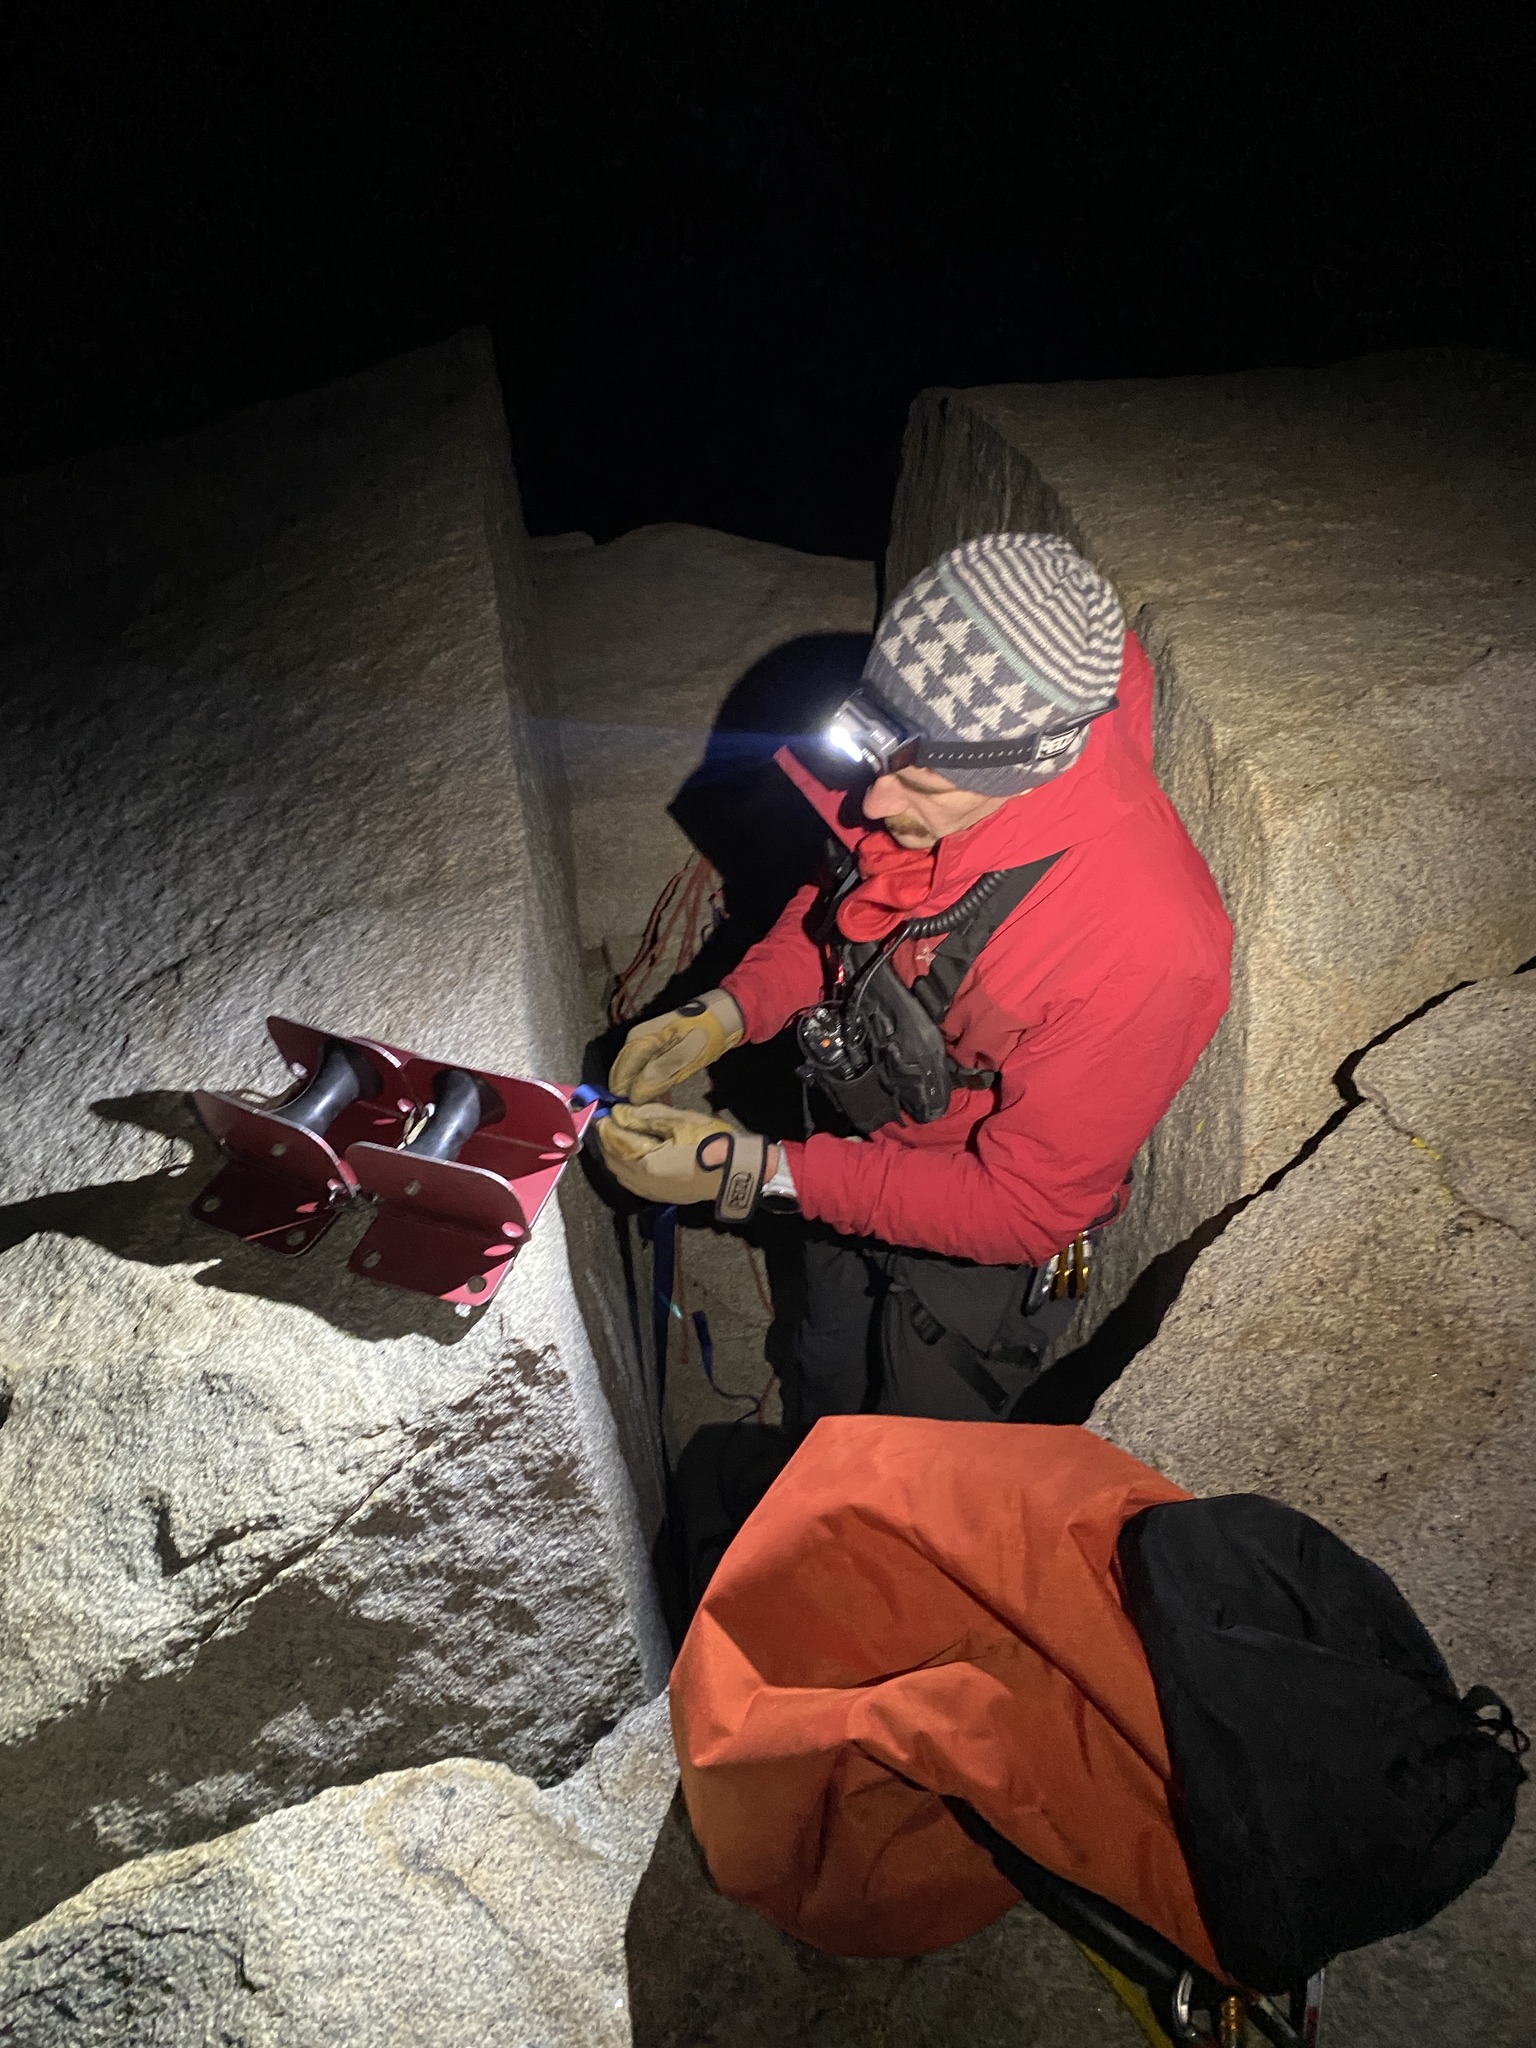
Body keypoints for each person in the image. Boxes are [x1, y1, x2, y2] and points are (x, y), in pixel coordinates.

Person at [598, 533, 1232, 1428]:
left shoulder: (1144, 941)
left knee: (912, 1444)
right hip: (856, 1132)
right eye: (875, 760)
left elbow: (1024, 1207)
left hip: (976, 1232)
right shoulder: (925, 788)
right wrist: (733, 1008)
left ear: (1026, 771)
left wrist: (748, 1170)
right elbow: (851, 908)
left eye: (920, 784)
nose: (875, 804)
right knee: (822, 1360)